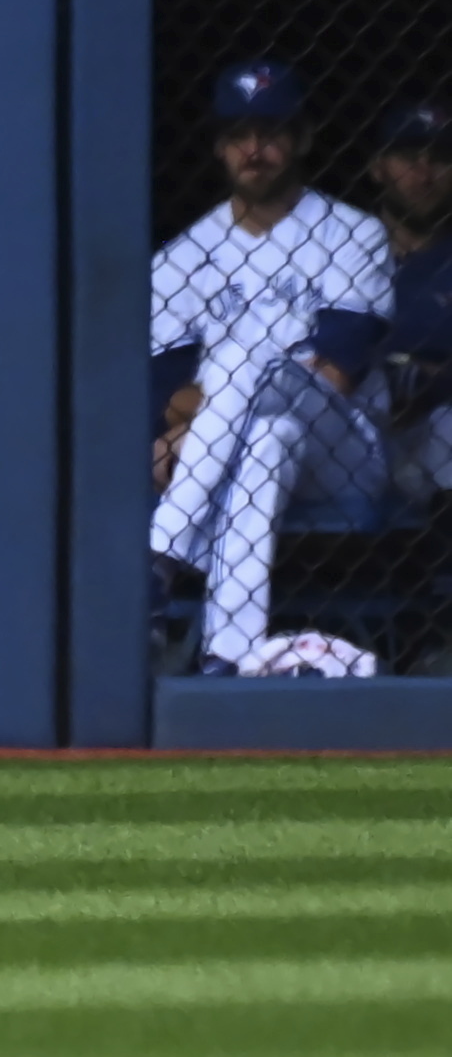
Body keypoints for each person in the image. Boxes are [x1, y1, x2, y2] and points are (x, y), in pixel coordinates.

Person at [149, 63, 390, 673]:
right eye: (238, 134)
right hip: (253, 448)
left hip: (345, 450)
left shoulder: (353, 233)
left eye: (271, 131)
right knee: (266, 437)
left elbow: (336, 374)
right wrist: (219, 411)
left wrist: (206, 415)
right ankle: (226, 657)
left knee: (247, 356)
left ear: (303, 139)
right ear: (217, 146)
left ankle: (161, 553)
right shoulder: (181, 258)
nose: (253, 149)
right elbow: (166, 394)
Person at [372, 101, 452, 512]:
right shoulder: (339, 251)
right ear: (379, 167)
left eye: (439, 159)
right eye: (408, 157)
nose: (424, 174)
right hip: (357, 429)